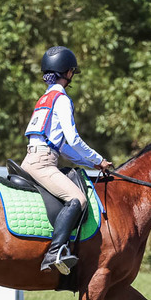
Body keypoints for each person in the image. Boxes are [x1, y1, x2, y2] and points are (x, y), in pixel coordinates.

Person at [21, 46, 113, 274]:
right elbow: (72, 139)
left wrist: (91, 163)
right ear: (67, 72)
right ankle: (55, 252)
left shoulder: (44, 99)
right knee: (77, 198)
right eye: (72, 71)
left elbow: (60, 145)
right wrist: (99, 158)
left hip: (31, 158)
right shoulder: (62, 99)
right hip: (43, 163)